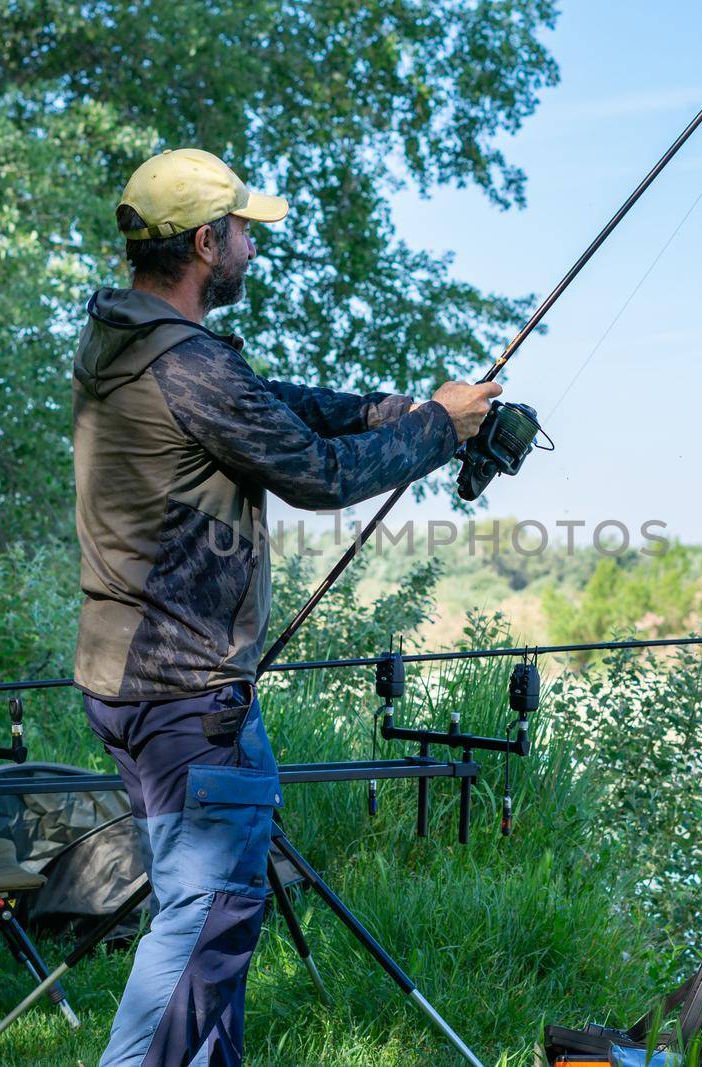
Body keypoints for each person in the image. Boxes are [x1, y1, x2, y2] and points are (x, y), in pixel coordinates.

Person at [70, 147, 499, 1067]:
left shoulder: (124, 337)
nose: (251, 250)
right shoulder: (184, 365)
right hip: (185, 689)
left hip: (132, 678)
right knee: (201, 915)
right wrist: (441, 428)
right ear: (201, 243)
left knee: (216, 910)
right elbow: (318, 473)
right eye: (241, 234)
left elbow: (269, 404)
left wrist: (403, 408)